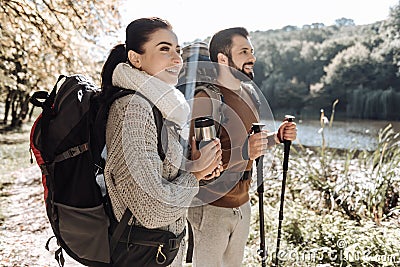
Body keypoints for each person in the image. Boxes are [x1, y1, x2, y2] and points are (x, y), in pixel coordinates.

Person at [100, 17, 223, 266]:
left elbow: (158, 175)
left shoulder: (161, 106)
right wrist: (195, 176)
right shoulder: (132, 110)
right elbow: (151, 210)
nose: (177, 59)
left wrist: (196, 166)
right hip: (142, 254)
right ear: (136, 58)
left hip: (160, 250)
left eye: (177, 50)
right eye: (165, 49)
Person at [187, 27, 297, 266]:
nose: (252, 57)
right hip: (211, 209)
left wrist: (276, 138)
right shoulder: (206, 100)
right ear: (223, 59)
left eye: (252, 51)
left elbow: (252, 145)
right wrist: (244, 151)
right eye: (244, 51)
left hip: (243, 205)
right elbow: (197, 163)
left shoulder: (249, 95)